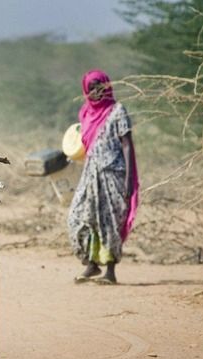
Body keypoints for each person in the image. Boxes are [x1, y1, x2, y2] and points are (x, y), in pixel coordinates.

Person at [67, 69, 139, 285]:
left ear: (107, 88)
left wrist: (128, 181)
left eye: (100, 88)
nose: (96, 93)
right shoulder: (85, 112)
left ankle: (110, 270)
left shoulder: (117, 111)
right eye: (91, 89)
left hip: (113, 175)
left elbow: (126, 144)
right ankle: (91, 264)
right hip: (90, 175)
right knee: (80, 217)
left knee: (109, 221)